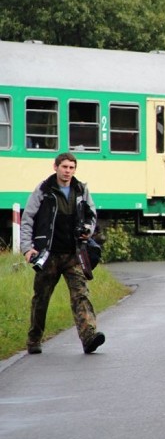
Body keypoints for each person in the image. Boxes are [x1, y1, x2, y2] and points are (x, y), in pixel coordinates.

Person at [20, 152, 105, 355]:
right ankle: (34, 340)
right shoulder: (43, 190)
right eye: (64, 167)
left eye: (71, 168)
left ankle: (89, 337)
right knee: (41, 299)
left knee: (81, 295)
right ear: (55, 167)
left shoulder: (81, 189)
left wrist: (87, 230)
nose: (68, 171)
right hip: (48, 254)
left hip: (73, 254)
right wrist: (26, 248)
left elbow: (91, 215)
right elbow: (28, 219)